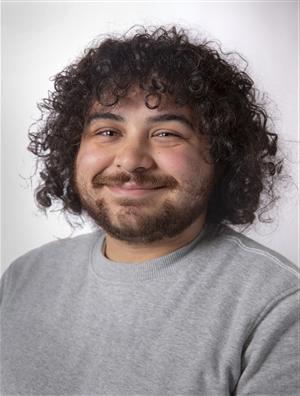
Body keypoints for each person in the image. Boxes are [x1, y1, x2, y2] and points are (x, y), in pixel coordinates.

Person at [1, 26, 299, 395]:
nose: (131, 160)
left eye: (166, 134)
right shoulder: (23, 278)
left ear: (222, 155)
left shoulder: (280, 306)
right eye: (107, 132)